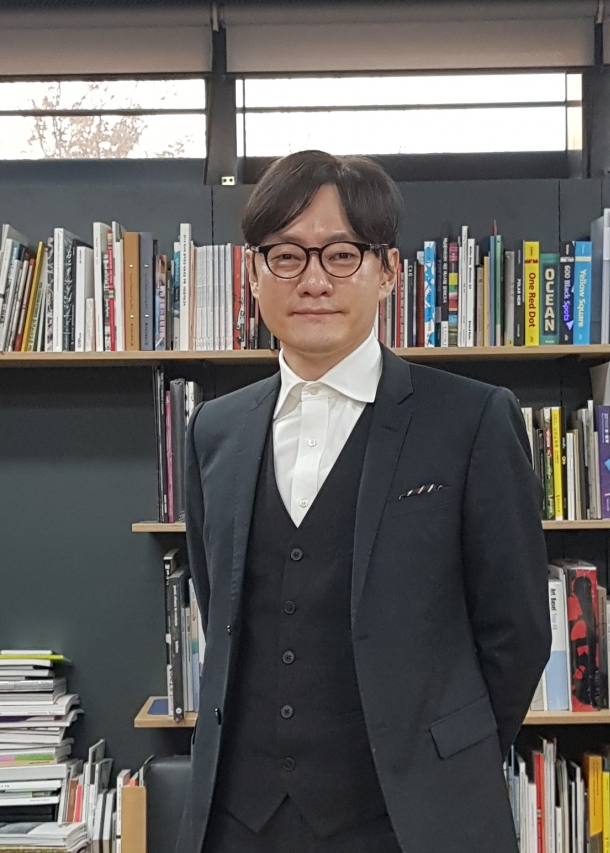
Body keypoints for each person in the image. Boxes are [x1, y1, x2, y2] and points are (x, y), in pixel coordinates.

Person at [176, 149, 551, 853]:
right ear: (253, 274)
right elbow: (214, 596)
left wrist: (443, 758)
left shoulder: (471, 419)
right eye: (286, 255)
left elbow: (518, 630)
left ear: (388, 273)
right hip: (239, 818)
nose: (314, 279)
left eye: (342, 254)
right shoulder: (213, 429)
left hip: (412, 821)